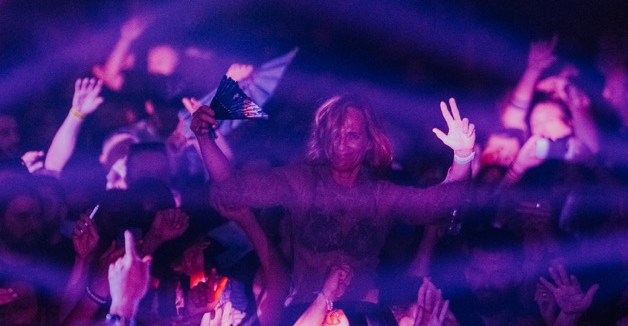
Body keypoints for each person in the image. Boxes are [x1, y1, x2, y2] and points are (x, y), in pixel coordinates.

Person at [192, 94, 477, 299]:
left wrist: (463, 156)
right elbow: (233, 189)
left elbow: (438, 206)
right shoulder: (302, 181)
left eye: (352, 136)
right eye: (334, 134)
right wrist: (204, 136)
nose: (341, 144)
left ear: (368, 143)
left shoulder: (380, 195)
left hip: (360, 317)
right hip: (301, 312)